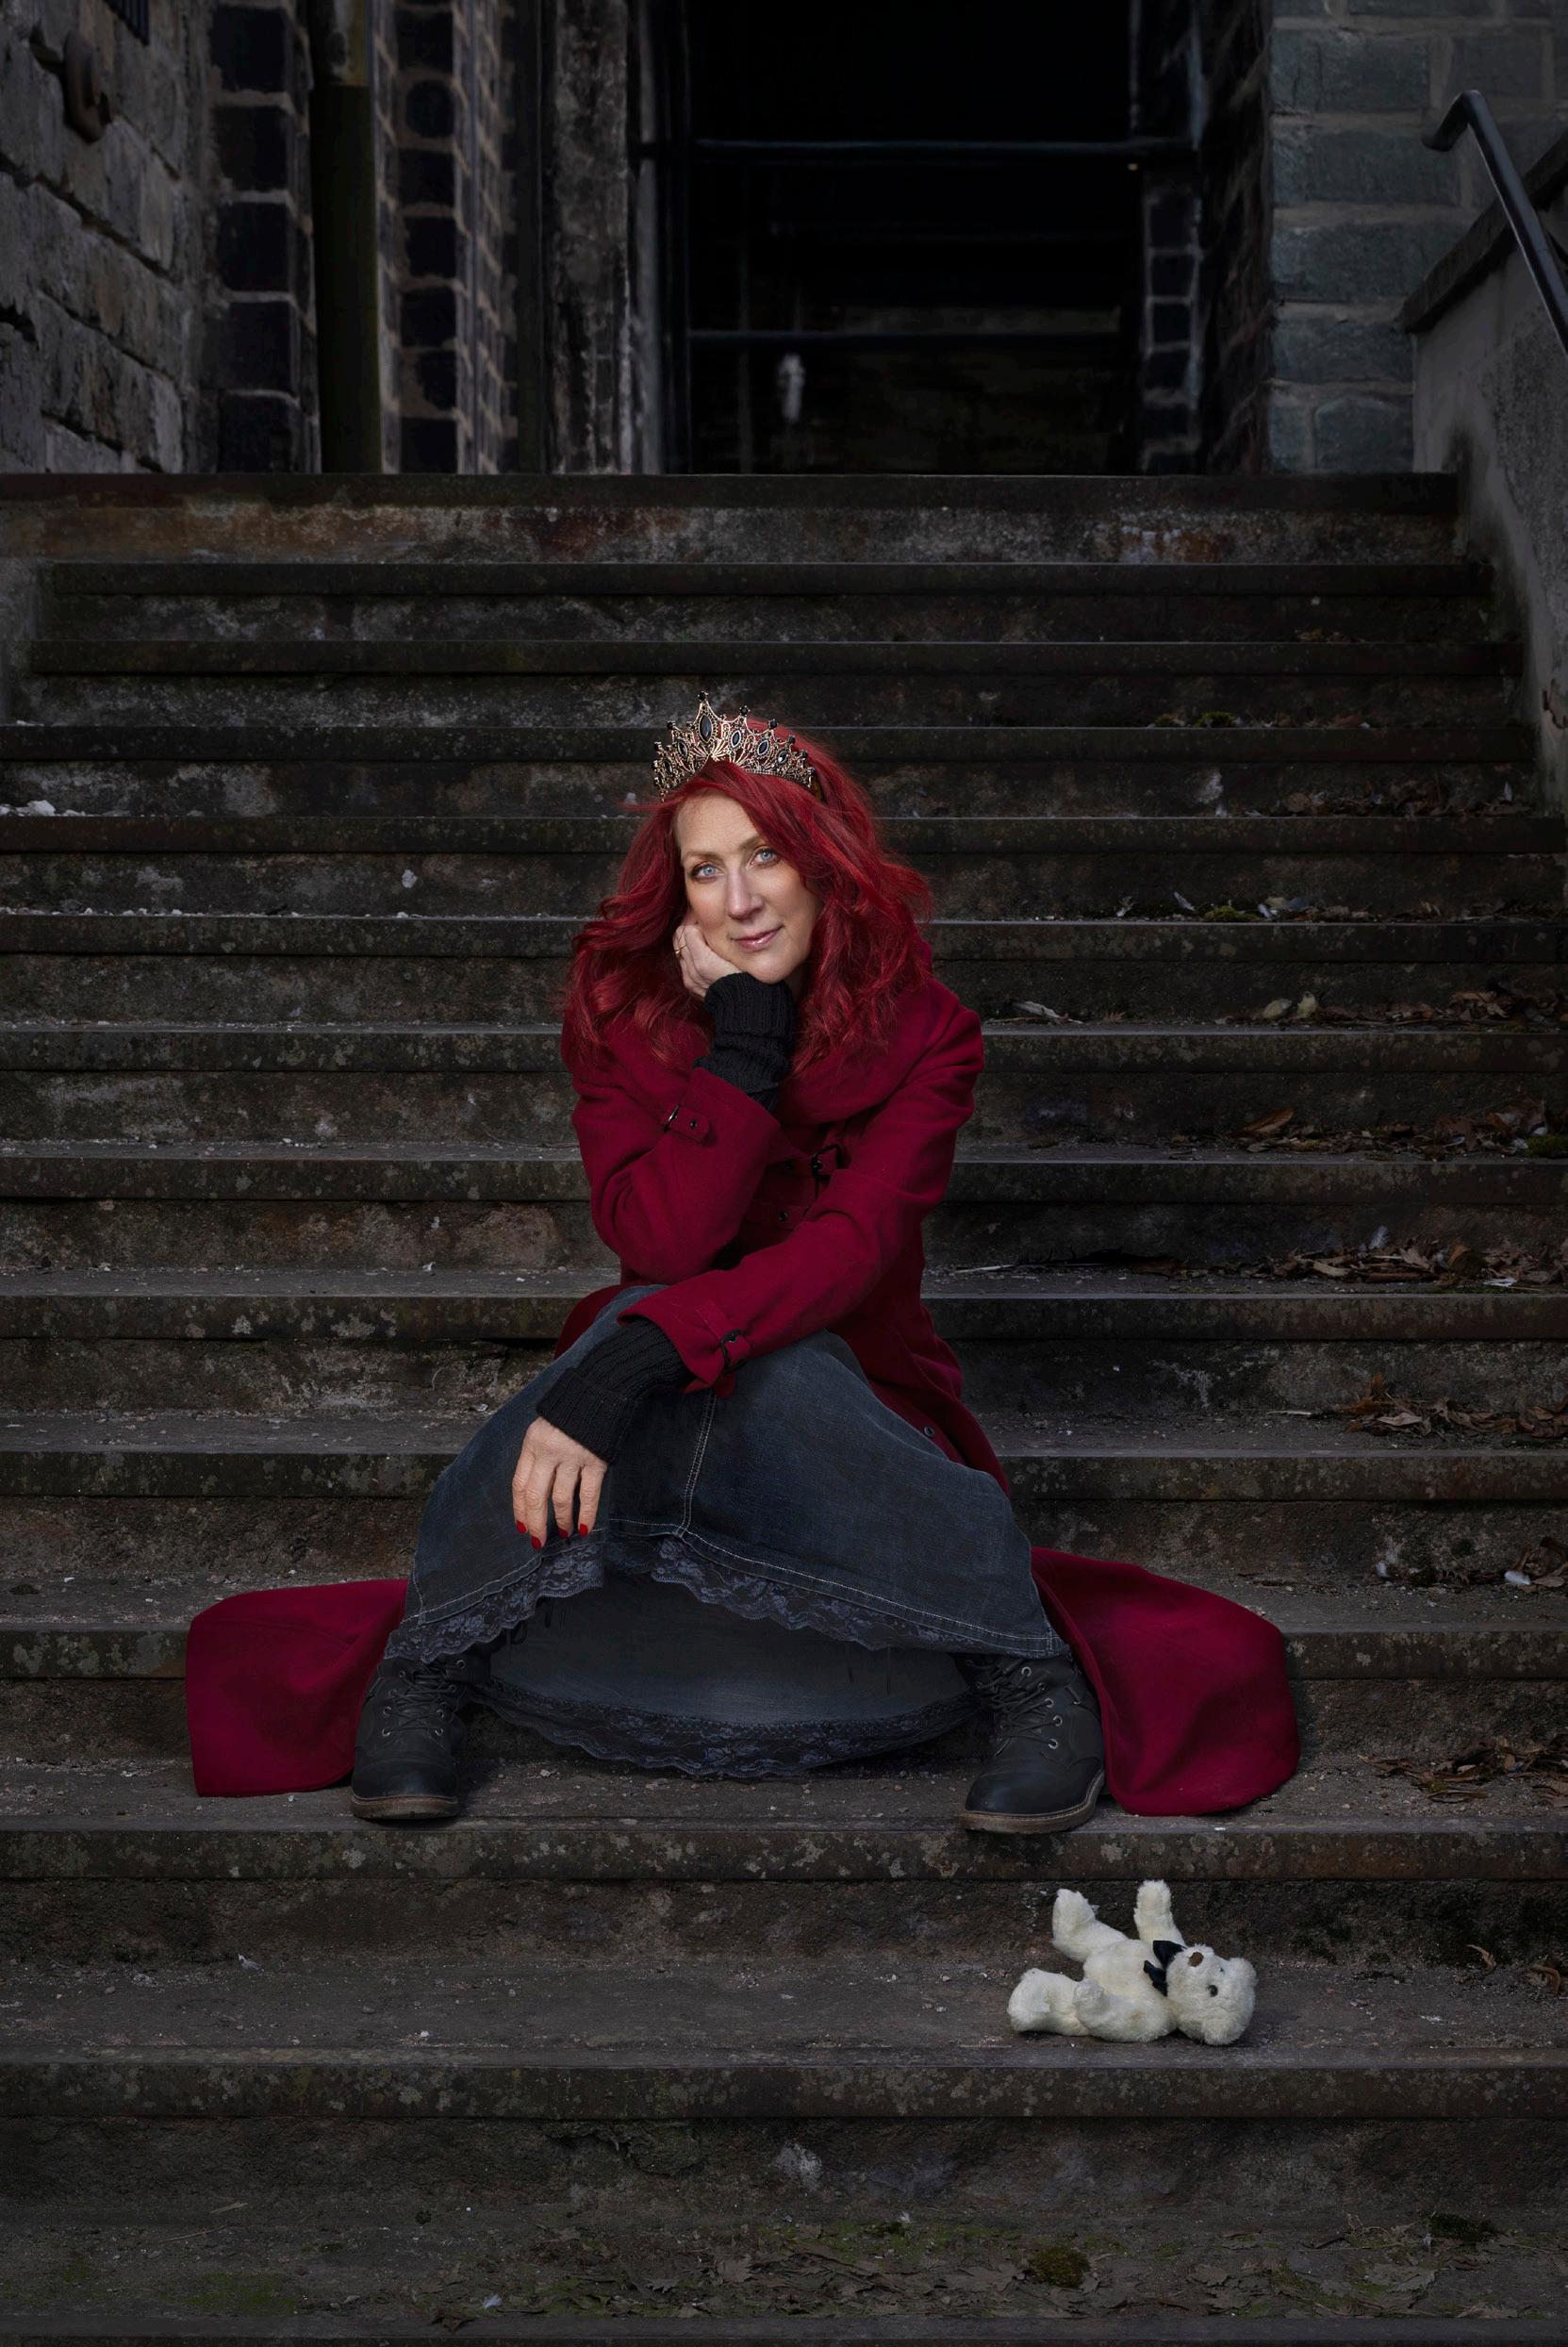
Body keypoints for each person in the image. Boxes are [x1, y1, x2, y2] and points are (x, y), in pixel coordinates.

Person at [348, 699, 1107, 1832]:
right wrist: (744, 1044)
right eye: (705, 870)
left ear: (825, 865)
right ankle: (429, 1659)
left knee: (756, 1357)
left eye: (765, 856)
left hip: (850, 1387)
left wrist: (651, 1347)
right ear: (679, 896)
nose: (739, 899)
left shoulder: (929, 1031)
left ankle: (1025, 1670)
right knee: (648, 1326)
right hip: (655, 1398)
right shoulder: (621, 1016)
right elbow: (660, 1244)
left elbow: (848, 1252)